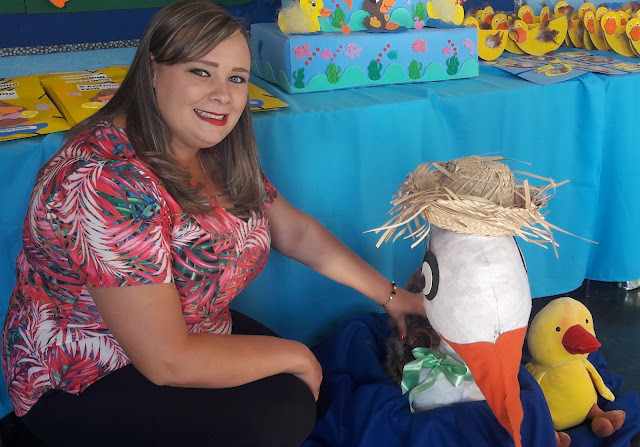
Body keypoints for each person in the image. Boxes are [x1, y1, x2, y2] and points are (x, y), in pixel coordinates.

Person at [1, 1, 425, 446]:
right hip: (85, 374)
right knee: (286, 411)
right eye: (201, 72)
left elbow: (294, 232)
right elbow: (166, 360)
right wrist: (298, 356)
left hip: (188, 329)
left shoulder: (213, 148)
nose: (222, 94)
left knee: (311, 396)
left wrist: (392, 296)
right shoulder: (107, 180)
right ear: (152, 70)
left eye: (236, 78)